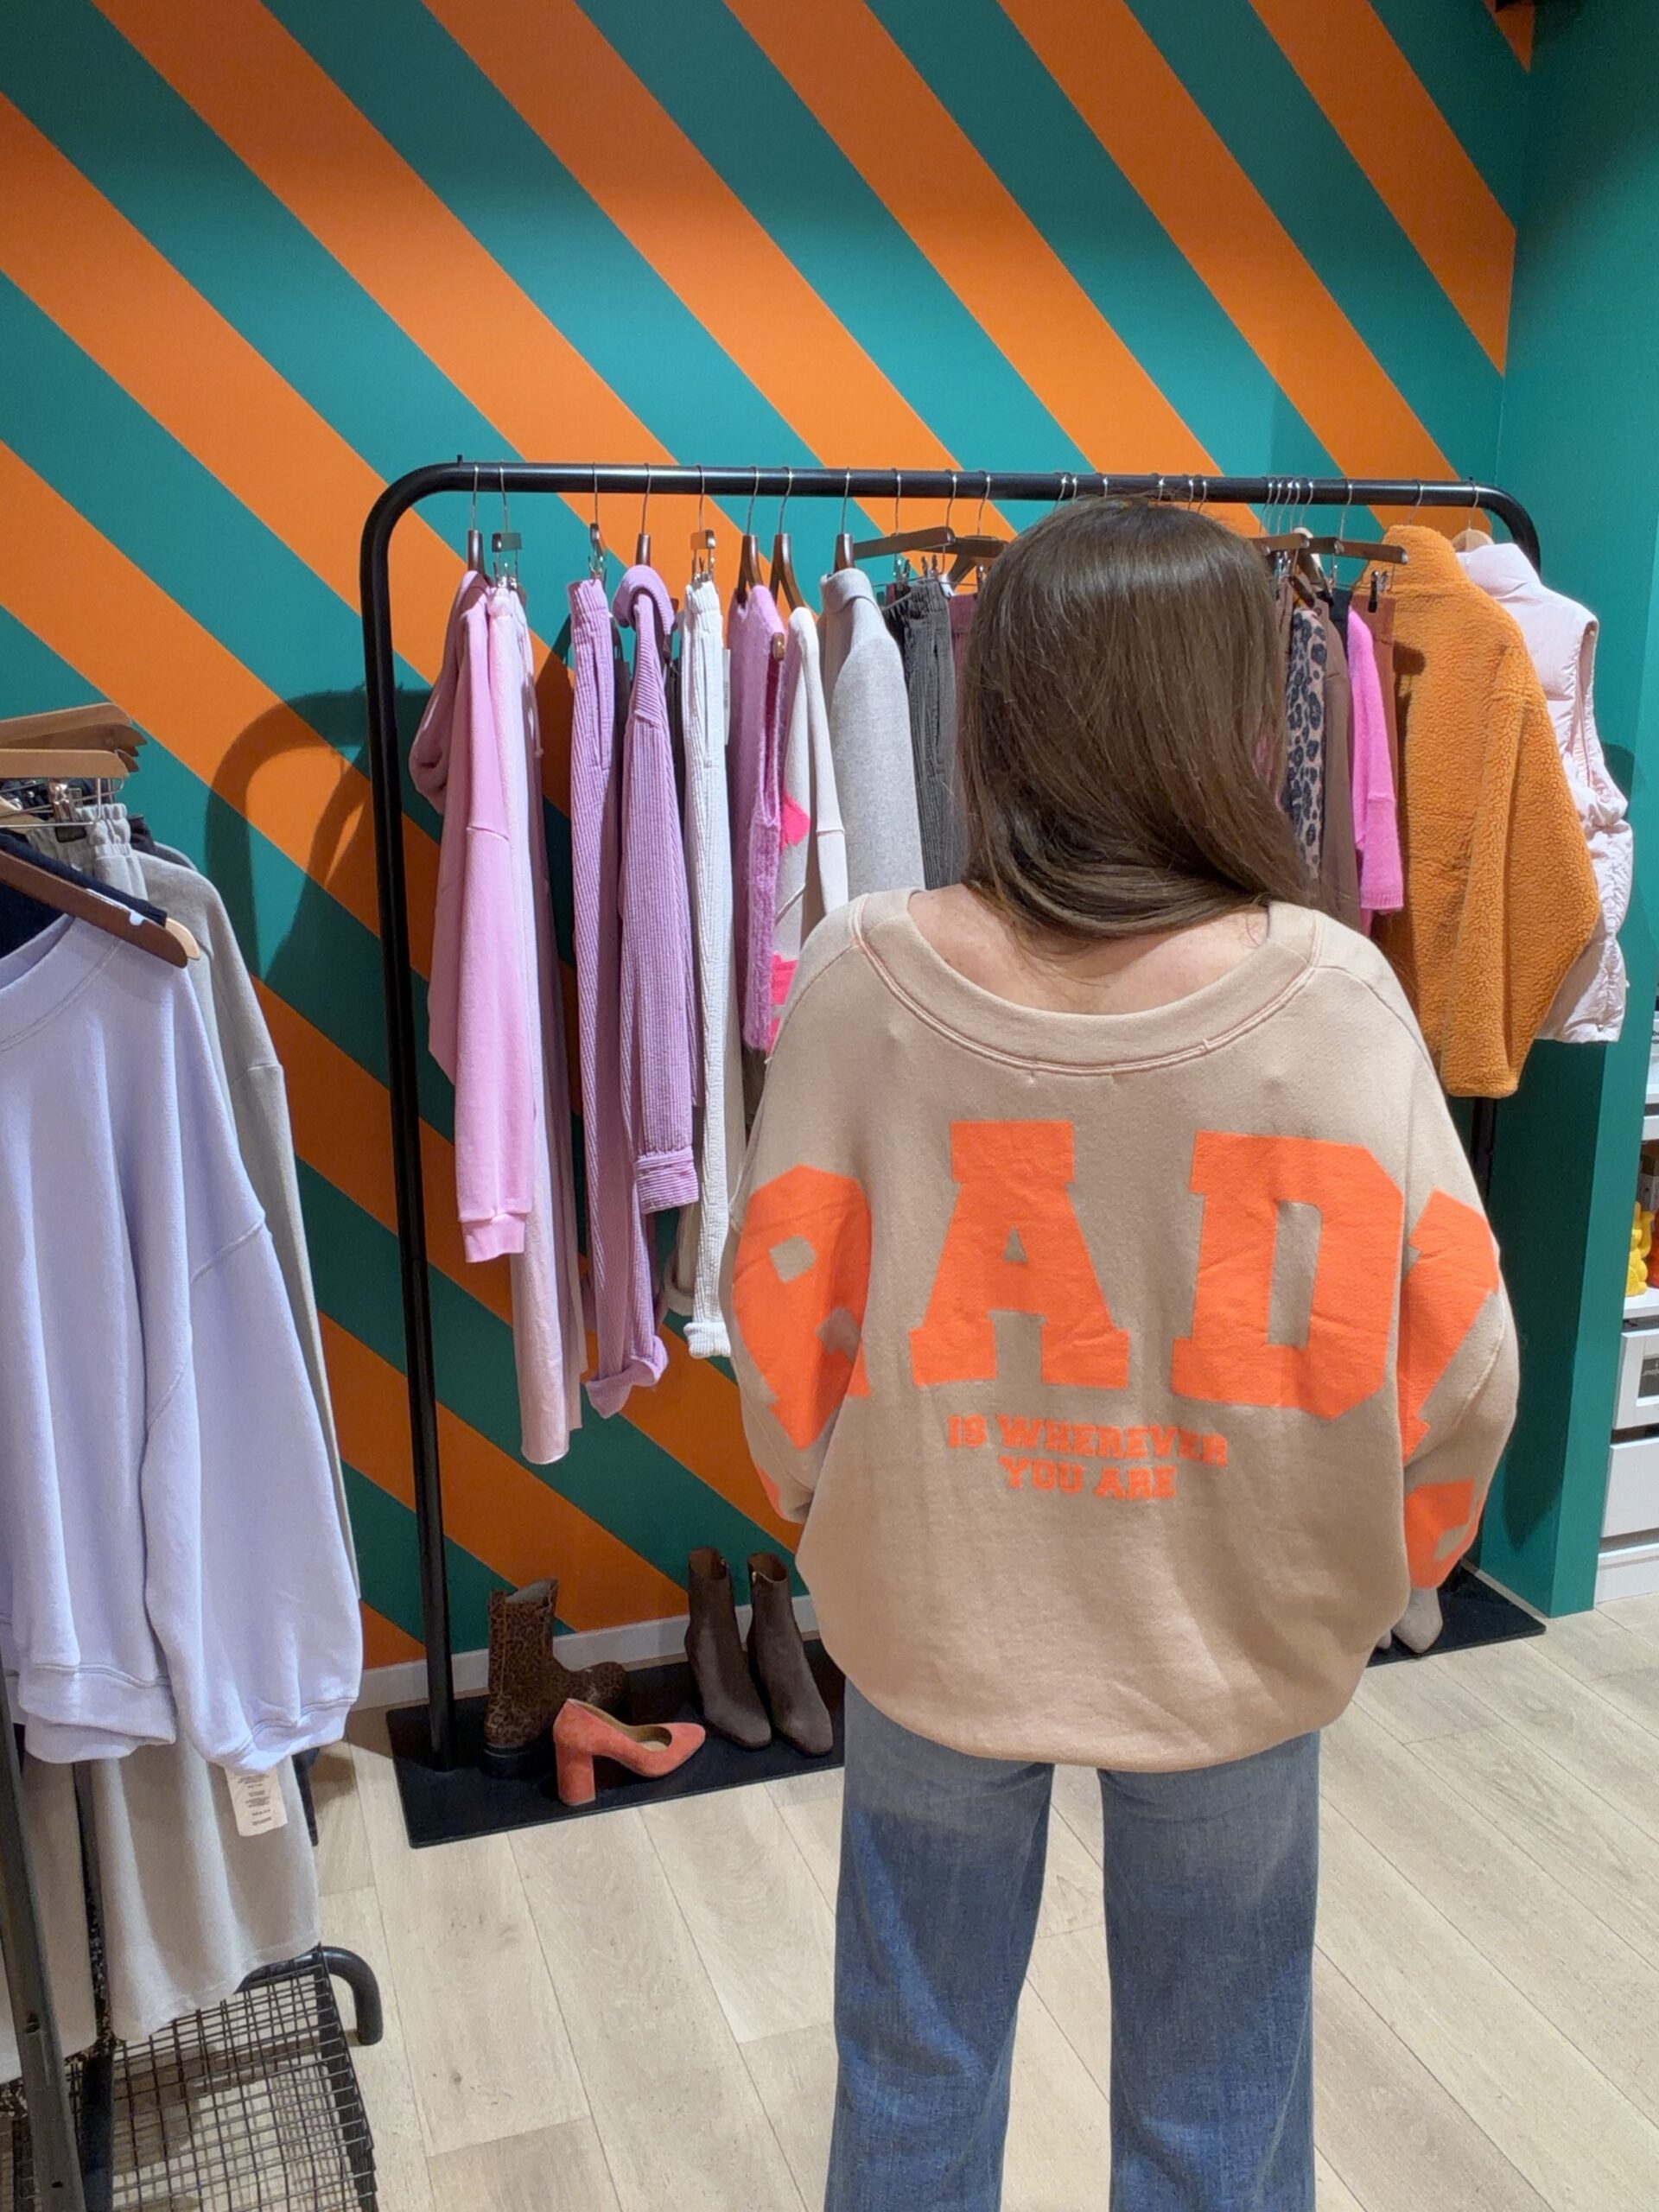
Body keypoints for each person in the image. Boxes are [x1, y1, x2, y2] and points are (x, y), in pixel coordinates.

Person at [721, 499, 1518, 2212]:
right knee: (1218, 2102)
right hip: (1237, 1631)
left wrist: (828, 1513)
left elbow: (782, 1315)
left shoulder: (863, 976)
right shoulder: (1333, 996)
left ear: (995, 707)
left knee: (914, 2072)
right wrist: (1383, 1572)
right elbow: (1464, 1363)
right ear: (1236, 717)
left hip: (930, 1610)